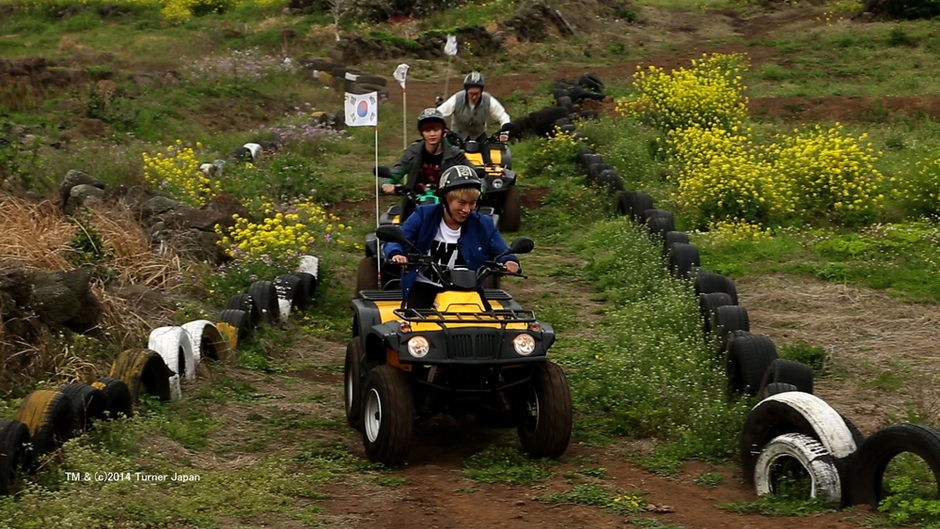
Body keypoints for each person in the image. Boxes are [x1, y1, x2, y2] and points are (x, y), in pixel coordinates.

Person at [385, 165, 521, 309]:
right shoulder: (424, 215)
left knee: (488, 320)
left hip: (468, 290)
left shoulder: (484, 223)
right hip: (425, 286)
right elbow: (397, 238)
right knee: (415, 321)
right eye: (461, 203)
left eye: (472, 203)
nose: (466, 209)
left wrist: (510, 261)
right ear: (445, 199)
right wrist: (396, 253)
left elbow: (501, 250)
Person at [381, 108, 474, 222]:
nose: (432, 134)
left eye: (436, 129)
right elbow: (397, 170)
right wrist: (388, 183)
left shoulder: (455, 155)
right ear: (422, 133)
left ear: (443, 131)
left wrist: (480, 186)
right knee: (401, 229)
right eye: (427, 130)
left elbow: (473, 172)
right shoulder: (412, 152)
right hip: (414, 203)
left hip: (448, 205)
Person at [437, 72, 512, 143]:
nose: (474, 97)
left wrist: (504, 132)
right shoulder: (456, 99)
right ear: (466, 91)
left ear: (481, 91)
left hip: (480, 138)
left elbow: (503, 116)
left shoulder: (489, 100)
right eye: (471, 94)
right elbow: (438, 113)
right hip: (457, 138)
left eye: (477, 94)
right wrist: (442, 130)